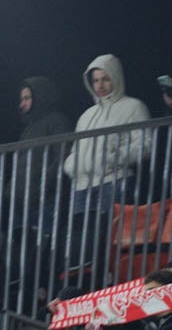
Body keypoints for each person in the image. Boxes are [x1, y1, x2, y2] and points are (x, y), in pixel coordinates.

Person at [64, 54, 150, 265]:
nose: (100, 85)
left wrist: (114, 158)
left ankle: (108, 280)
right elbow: (76, 150)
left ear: (116, 78)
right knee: (81, 246)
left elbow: (145, 145)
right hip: (81, 188)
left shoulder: (133, 107)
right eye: (95, 80)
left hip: (114, 182)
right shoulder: (86, 115)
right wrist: (71, 166)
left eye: (106, 78)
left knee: (108, 241)